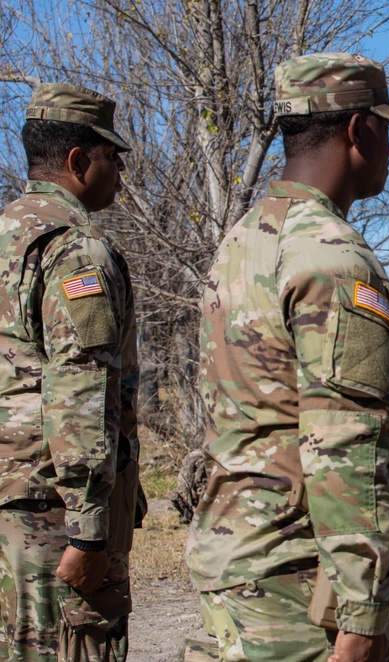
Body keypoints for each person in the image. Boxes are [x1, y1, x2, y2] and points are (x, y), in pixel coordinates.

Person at [185, 53, 389, 662]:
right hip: (296, 580)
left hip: (235, 559)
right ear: (358, 129)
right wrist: (362, 614)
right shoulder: (334, 257)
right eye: (386, 129)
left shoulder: (241, 241)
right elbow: (346, 442)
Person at [0, 83, 143, 660]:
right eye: (114, 157)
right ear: (78, 161)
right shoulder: (74, 250)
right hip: (50, 514)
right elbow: (80, 383)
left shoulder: (9, 237)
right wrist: (88, 527)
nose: (121, 174)